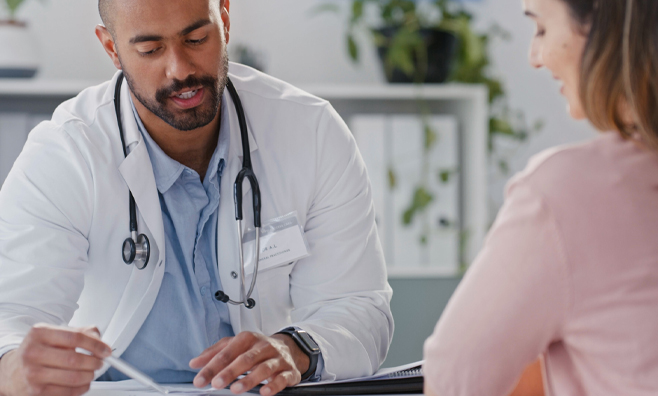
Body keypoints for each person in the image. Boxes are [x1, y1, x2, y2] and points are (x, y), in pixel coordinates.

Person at [0, 0, 394, 395]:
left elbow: (359, 307)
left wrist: (296, 348)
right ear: (112, 49)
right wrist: (17, 367)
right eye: (150, 49)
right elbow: (10, 314)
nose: (181, 69)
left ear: (224, 17)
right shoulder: (66, 151)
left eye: (196, 38)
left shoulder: (311, 132)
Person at [424, 0, 658, 394]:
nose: (535, 57)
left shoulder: (564, 192)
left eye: (541, 29)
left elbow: (453, 380)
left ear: (603, 31)